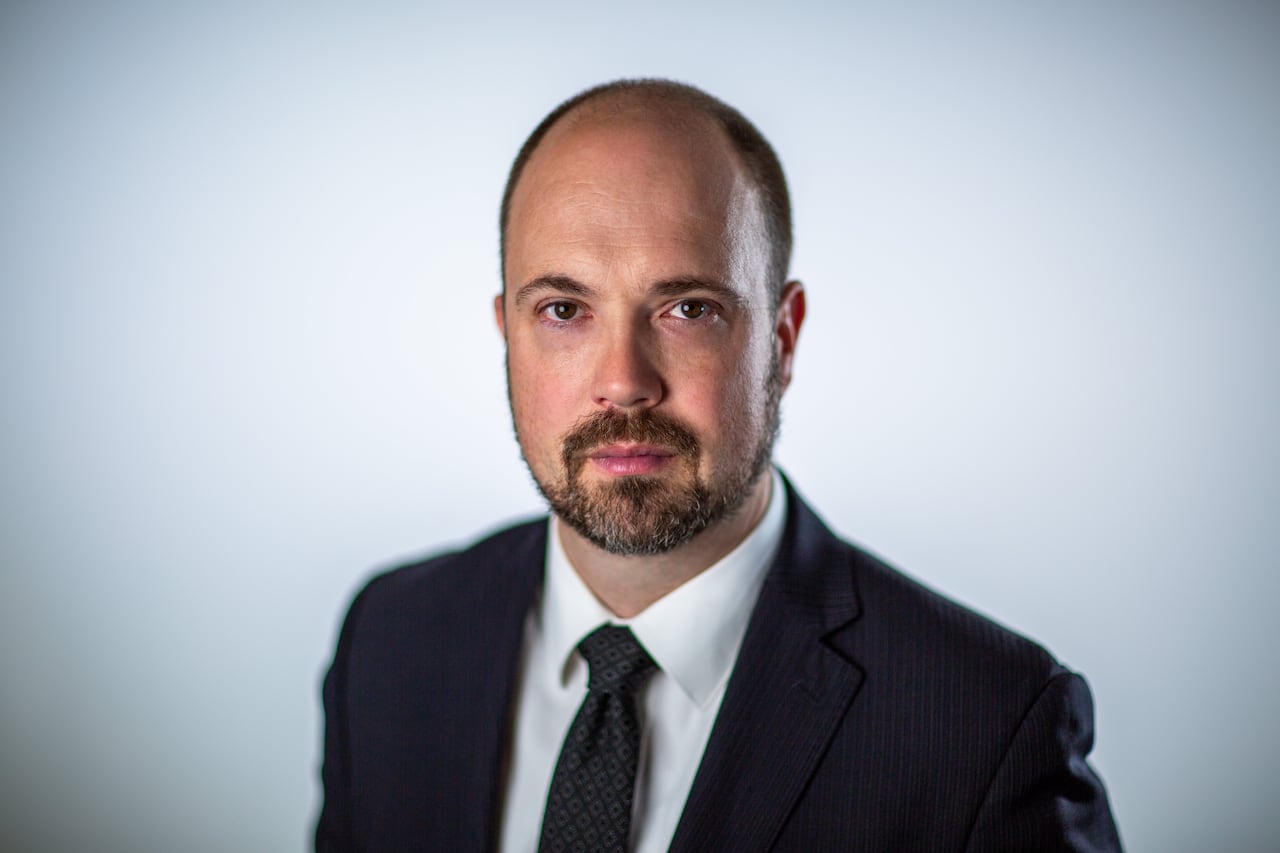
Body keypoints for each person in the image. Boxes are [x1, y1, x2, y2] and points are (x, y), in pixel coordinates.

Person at [316, 79, 1121, 852]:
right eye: (564, 310)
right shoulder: (389, 640)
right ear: (507, 335)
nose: (623, 381)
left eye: (688, 309)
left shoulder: (987, 723)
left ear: (783, 338)